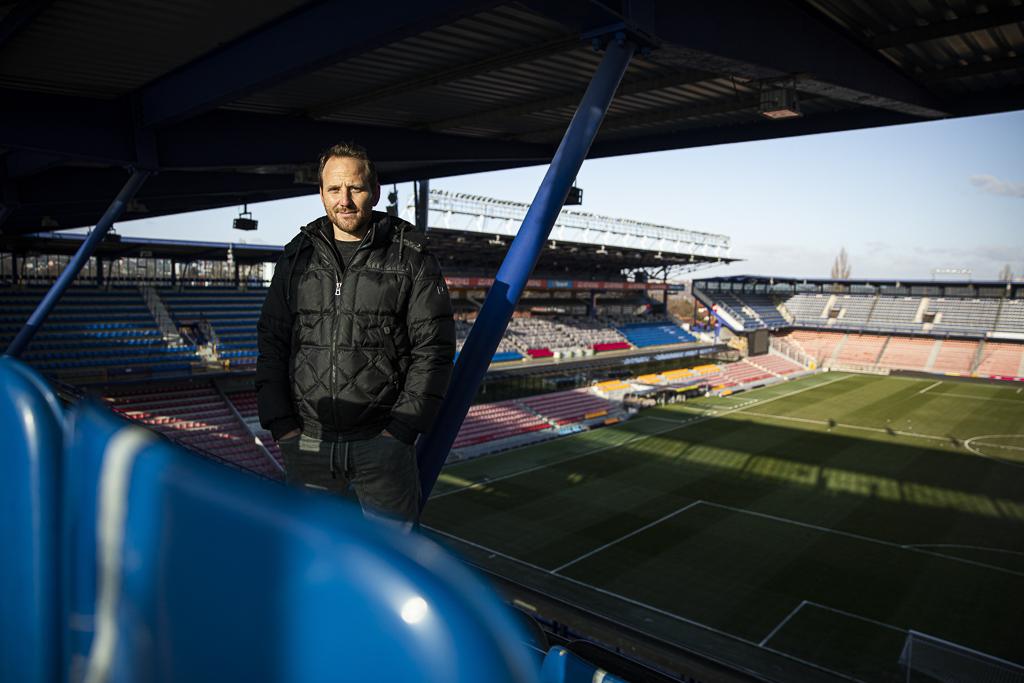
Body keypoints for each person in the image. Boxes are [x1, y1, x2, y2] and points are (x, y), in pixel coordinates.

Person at [256, 142, 455, 525]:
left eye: (355, 188)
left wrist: (401, 430)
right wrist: (282, 425)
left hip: (381, 444)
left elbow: (434, 348)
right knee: (310, 556)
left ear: (375, 190)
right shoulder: (295, 257)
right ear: (321, 193)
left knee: (391, 561)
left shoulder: (410, 256)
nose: (344, 200)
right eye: (334, 189)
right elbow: (272, 341)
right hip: (308, 442)